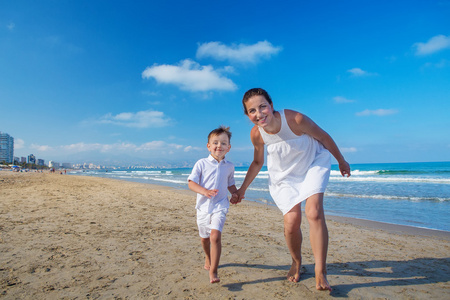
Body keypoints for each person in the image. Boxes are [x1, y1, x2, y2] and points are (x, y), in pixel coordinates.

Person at [235, 88, 351, 291]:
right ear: (247, 115)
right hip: (284, 174)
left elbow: (324, 137)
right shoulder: (256, 134)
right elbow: (256, 162)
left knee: (313, 213)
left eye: (263, 107)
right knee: (291, 222)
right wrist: (242, 189)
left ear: (271, 105)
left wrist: (341, 160)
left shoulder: (295, 119)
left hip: (313, 162)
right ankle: (296, 262)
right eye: (252, 111)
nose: (259, 114)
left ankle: (320, 271)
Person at [188, 126, 239, 284]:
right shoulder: (201, 163)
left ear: (228, 148)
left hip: (220, 206)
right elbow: (191, 183)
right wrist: (204, 191)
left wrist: (235, 193)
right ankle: (208, 256)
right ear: (208, 146)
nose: (219, 146)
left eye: (223, 143)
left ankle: (213, 271)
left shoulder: (229, 166)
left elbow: (230, 183)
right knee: (205, 239)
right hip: (203, 208)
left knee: (215, 236)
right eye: (215, 142)